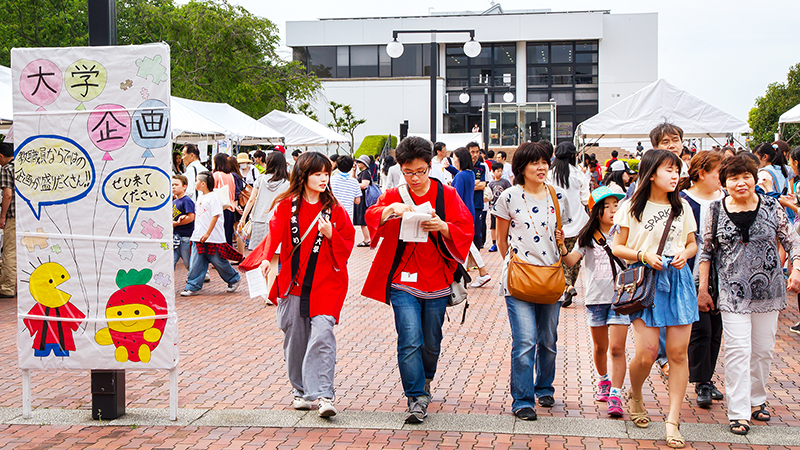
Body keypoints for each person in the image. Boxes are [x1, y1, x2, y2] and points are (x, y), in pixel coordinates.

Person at [362, 136, 474, 424]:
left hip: (437, 279)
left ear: (430, 166)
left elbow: (466, 227)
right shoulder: (395, 194)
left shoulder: (445, 194)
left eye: (420, 171)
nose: (414, 178)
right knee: (409, 338)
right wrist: (392, 210)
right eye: (408, 171)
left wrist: (443, 226)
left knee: (431, 342)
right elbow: (372, 214)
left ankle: (425, 379)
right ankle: (416, 397)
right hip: (402, 281)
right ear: (401, 168)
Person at [240, 152, 355, 417]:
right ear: (303, 176)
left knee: (323, 335)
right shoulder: (286, 206)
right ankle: (300, 391)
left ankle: (325, 395)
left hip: (327, 284)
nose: (323, 178)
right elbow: (274, 234)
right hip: (293, 284)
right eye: (318, 174)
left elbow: (347, 244)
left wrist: (331, 234)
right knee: (295, 339)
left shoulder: (334, 209)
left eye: (326, 173)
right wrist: (267, 260)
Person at [697, 153, 800, 435]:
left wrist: (796, 269)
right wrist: (703, 290)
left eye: (746, 177)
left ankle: (757, 400)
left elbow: (792, 240)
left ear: (755, 179)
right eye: (734, 178)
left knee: (763, 349)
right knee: (738, 350)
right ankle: (739, 412)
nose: (741, 183)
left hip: (769, 290)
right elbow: (706, 251)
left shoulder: (771, 205)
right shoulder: (715, 209)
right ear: (724, 182)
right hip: (732, 292)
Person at [611, 149, 698, 449]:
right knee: (647, 353)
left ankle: (672, 421)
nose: (675, 175)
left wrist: (684, 255)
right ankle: (635, 395)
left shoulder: (683, 207)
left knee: (677, 354)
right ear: (651, 173)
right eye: (669, 170)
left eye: (677, 170)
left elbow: (691, 243)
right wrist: (642, 255)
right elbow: (617, 247)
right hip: (645, 281)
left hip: (678, 280)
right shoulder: (632, 206)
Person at [494, 142, 570, 420]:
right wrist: (512, 263)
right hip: (519, 279)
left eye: (544, 162)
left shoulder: (557, 196)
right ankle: (523, 400)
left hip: (550, 276)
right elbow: (501, 239)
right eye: (535, 163)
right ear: (521, 168)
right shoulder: (510, 196)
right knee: (525, 341)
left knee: (548, 340)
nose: (541, 167)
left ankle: (544, 387)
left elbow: (567, 233)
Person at [559, 186, 628, 417]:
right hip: (596, 299)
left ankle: (616, 395)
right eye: (606, 206)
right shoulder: (586, 237)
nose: (612, 210)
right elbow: (570, 261)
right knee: (600, 347)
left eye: (615, 205)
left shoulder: (625, 231)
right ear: (596, 211)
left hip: (621, 298)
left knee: (618, 348)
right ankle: (604, 381)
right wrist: (560, 245)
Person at [680, 151, 726, 408]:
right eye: (719, 172)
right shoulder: (684, 201)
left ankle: (706, 378)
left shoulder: (726, 199)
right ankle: (702, 382)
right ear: (702, 173)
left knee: (716, 330)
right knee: (701, 329)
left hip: (724, 275)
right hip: (690, 273)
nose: (723, 178)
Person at [239, 152, 291, 300]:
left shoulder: (260, 179)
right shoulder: (287, 183)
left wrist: (243, 218)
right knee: (274, 260)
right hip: (278, 222)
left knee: (263, 258)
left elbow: (251, 201)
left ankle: (265, 291)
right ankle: (271, 293)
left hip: (259, 221)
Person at [181, 172, 242, 296]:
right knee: (196, 262)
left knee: (218, 261)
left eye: (197, 181)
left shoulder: (213, 197)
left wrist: (208, 233)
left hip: (212, 237)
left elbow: (215, 216)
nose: (196, 183)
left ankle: (234, 279)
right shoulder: (201, 196)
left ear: (203, 184)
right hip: (199, 235)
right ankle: (192, 286)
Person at [547, 142, 590, 308]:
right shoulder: (579, 175)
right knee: (575, 258)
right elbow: (586, 199)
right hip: (579, 223)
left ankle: (566, 286)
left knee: (558, 257)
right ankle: (569, 285)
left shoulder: (550, 175)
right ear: (573, 156)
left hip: (557, 225)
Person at [451, 147, 491, 287]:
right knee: (469, 245)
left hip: (460, 214)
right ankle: (478, 273)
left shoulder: (461, 176)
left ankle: (480, 272)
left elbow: (457, 197)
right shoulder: (470, 174)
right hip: (469, 212)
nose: (454, 160)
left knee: (466, 245)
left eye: (455, 158)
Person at [754, 142, 794, 222]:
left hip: (772, 216)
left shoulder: (763, 173)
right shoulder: (783, 169)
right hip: (785, 215)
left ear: (765, 157)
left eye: (756, 158)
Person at [0, 142, 16, 298]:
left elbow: (8, 194)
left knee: (10, 251)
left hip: (13, 215)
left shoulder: (7, 169)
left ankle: (7, 287)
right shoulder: (24, 165)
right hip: (30, 216)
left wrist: (2, 216)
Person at [212, 153, 238, 247]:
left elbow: (212, 191)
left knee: (220, 234)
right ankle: (227, 256)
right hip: (230, 206)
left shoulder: (216, 175)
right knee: (228, 234)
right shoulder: (230, 175)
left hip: (220, 207)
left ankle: (220, 258)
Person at [172, 175, 195, 270]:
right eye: (172, 185)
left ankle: (197, 276)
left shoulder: (186, 200)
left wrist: (176, 223)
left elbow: (191, 217)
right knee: (171, 261)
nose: (173, 187)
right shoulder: (174, 201)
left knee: (188, 261)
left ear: (184, 186)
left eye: (176, 184)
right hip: (175, 236)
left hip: (185, 237)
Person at [329, 155, 362, 223]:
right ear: (350, 167)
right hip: (348, 216)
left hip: (334, 214)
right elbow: (357, 201)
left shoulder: (331, 179)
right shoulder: (354, 182)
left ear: (337, 166)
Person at [467, 142, 487, 249]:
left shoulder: (482, 167)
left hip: (478, 204)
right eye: (472, 152)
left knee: (477, 232)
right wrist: (475, 183)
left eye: (477, 152)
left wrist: (468, 185)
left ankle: (477, 259)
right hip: (465, 204)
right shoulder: (464, 167)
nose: (475, 154)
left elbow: (483, 185)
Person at [487, 161, 511, 252]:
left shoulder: (505, 182)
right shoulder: (491, 183)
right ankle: (494, 244)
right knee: (493, 226)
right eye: (497, 171)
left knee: (504, 226)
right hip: (494, 208)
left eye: (501, 171)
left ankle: (505, 241)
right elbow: (489, 195)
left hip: (504, 209)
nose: (499, 173)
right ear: (493, 171)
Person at [354, 155, 375, 247]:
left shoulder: (365, 173)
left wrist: (354, 185)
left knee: (363, 220)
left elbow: (364, 185)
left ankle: (367, 239)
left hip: (364, 198)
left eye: (360, 162)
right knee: (362, 220)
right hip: (362, 198)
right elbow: (353, 180)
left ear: (364, 163)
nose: (358, 164)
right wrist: (354, 171)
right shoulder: (363, 172)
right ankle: (367, 239)